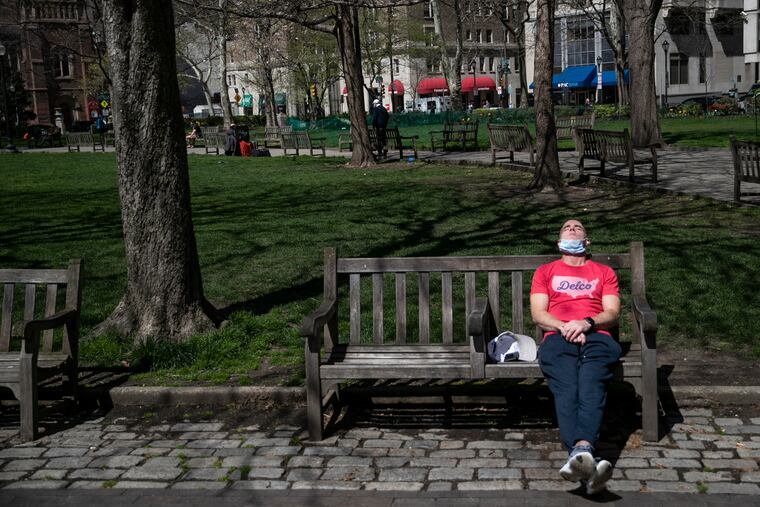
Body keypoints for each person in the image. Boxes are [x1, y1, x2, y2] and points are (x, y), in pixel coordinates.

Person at [530, 219, 621, 496]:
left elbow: (612, 313)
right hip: (557, 336)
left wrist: (587, 323)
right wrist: (566, 327)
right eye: (566, 228)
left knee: (591, 383)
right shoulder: (545, 272)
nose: (572, 228)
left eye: (578, 227)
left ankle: (579, 455)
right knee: (568, 386)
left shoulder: (604, 272)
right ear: (559, 243)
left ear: (586, 241)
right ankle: (584, 456)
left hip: (597, 336)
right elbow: (539, 314)